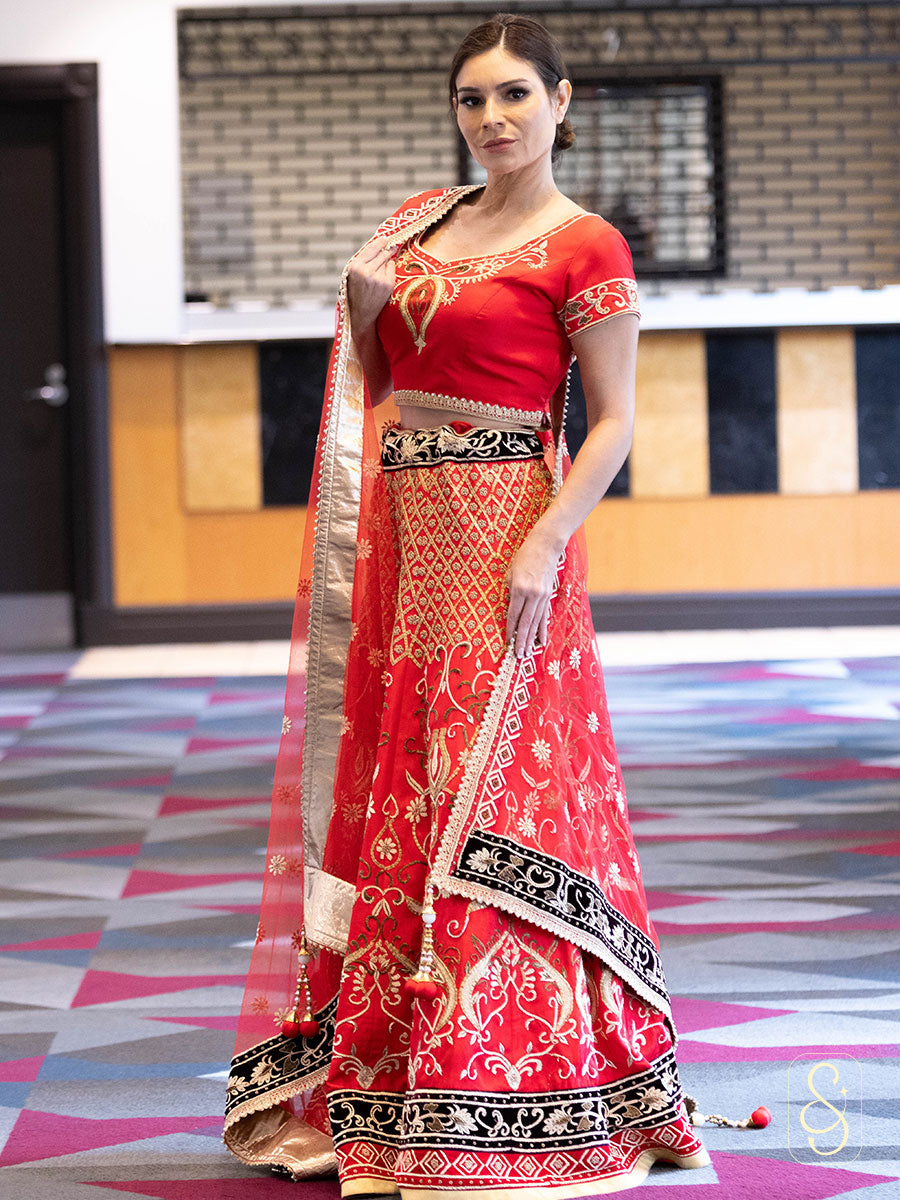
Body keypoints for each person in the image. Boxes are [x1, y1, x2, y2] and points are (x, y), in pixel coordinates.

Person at [223, 11, 766, 1195]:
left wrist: (546, 542)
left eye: (516, 94)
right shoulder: (424, 228)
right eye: (474, 99)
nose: (493, 119)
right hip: (407, 532)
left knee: (496, 769)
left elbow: (614, 419)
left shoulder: (587, 244)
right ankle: (397, 1076)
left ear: (561, 102)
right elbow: (390, 387)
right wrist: (368, 308)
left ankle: (514, 1074)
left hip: (509, 521)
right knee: (408, 766)